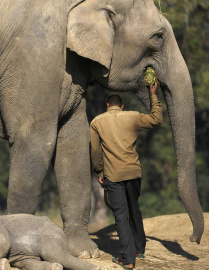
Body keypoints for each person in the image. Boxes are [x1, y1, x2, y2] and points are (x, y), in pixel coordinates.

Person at [89, 82, 162, 270]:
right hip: (134, 172)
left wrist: (99, 171)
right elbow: (156, 119)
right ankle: (139, 249)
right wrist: (153, 94)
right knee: (134, 208)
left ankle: (128, 259)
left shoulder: (97, 122)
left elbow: (96, 151)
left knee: (121, 216)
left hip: (113, 175)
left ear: (107, 105)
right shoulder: (132, 116)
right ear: (121, 106)